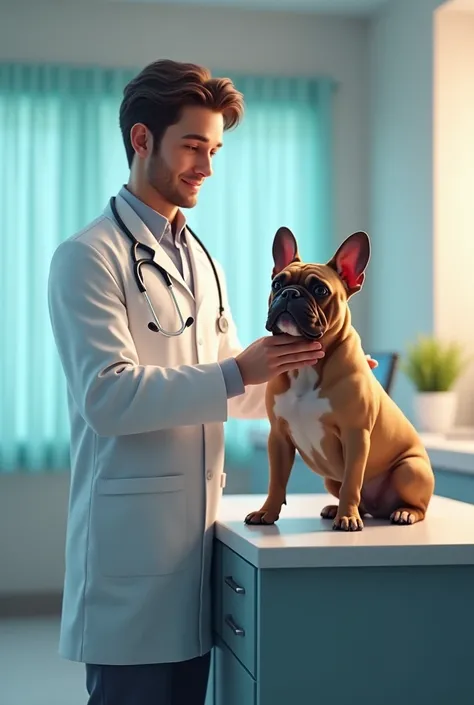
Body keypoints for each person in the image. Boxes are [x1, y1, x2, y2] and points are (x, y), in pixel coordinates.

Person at [47, 59, 328, 705]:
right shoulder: (87, 256)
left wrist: (312, 376)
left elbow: (241, 390)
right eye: (193, 146)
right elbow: (106, 397)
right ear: (141, 139)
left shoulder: (201, 258)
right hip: (130, 557)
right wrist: (239, 370)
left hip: (196, 554)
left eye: (215, 149)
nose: (207, 165)